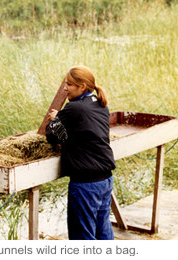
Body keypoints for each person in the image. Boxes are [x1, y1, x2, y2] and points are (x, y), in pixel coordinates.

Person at [45, 65, 116, 240]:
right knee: (103, 231)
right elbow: (75, 135)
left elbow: (53, 137)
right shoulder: (100, 105)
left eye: (69, 84)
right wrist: (61, 123)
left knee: (82, 238)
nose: (65, 88)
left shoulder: (74, 108)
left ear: (82, 86)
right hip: (105, 179)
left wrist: (55, 119)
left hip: (86, 184)